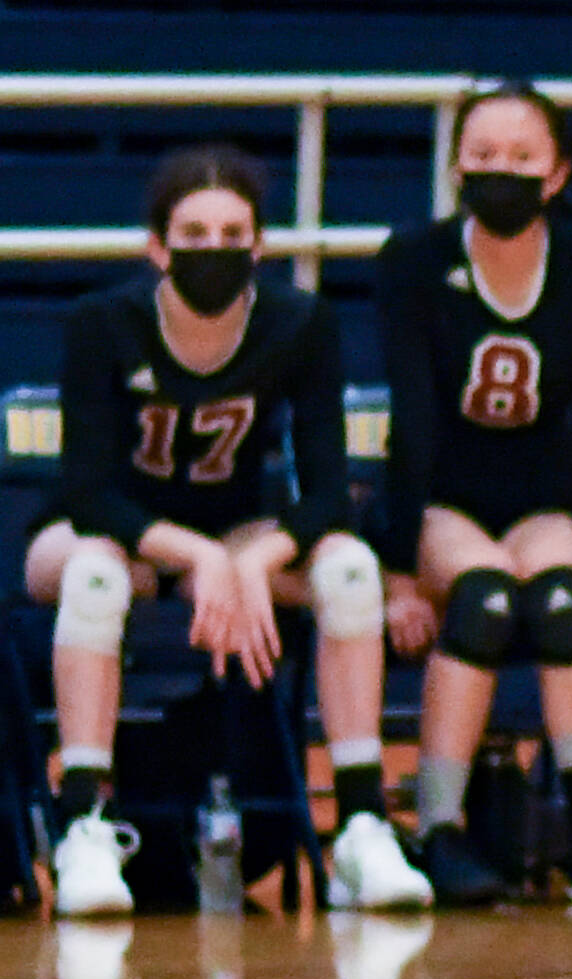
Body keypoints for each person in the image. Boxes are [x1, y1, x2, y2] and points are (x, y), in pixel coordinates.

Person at [28, 145, 432, 920]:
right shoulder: (102, 322)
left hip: (239, 530)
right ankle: (84, 824)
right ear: (156, 246)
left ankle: (359, 821)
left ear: (259, 245)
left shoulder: (300, 322)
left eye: (231, 233)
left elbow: (327, 493)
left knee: (350, 569)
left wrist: (255, 559)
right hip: (114, 529)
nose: (212, 249)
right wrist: (200, 556)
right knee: (94, 578)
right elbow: (86, 491)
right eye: (193, 232)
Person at [376, 81, 572, 907]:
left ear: (558, 172)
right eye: (483, 156)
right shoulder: (414, 262)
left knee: (566, 606)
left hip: (544, 499)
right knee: (484, 600)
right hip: (446, 497)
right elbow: (411, 420)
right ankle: (439, 828)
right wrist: (401, 568)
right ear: (456, 166)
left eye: (521, 156)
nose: (500, 170)